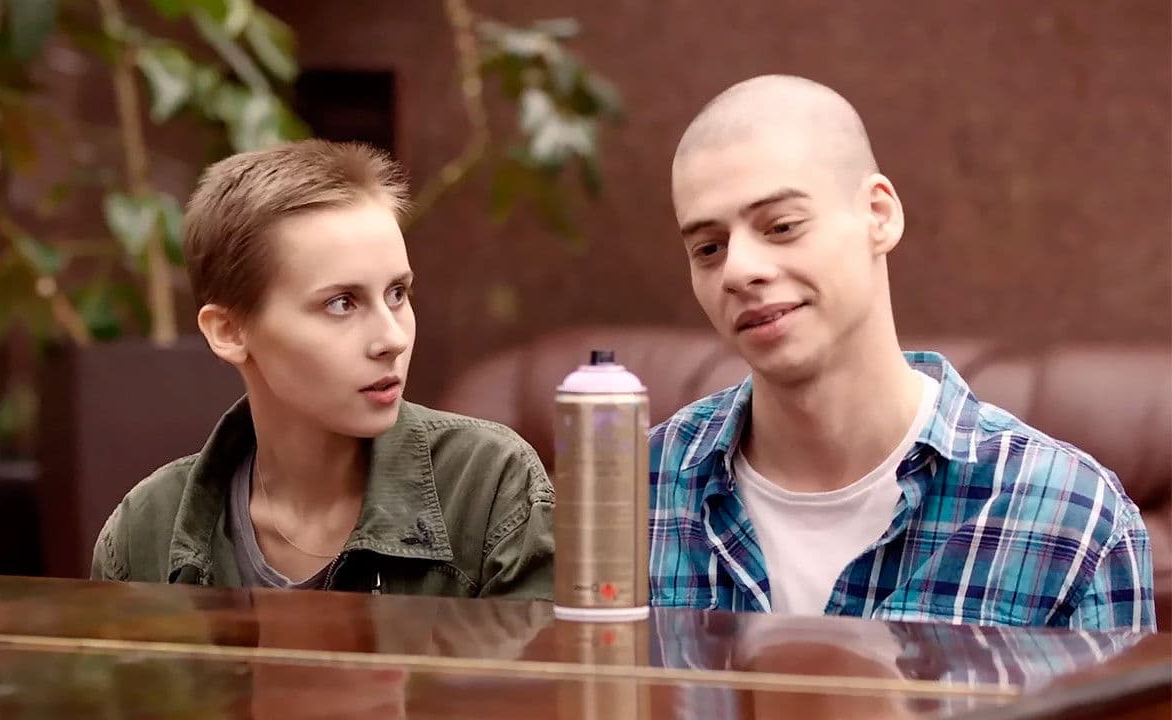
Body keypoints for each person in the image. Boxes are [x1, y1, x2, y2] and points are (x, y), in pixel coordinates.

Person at [648, 74, 1155, 630]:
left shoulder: (1069, 520)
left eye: (782, 226)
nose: (739, 270)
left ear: (879, 215)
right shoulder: (637, 492)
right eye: (709, 248)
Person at [91, 139, 554, 599]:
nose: (392, 338)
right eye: (341, 303)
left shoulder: (489, 489)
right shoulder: (144, 533)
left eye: (397, 293)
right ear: (229, 331)